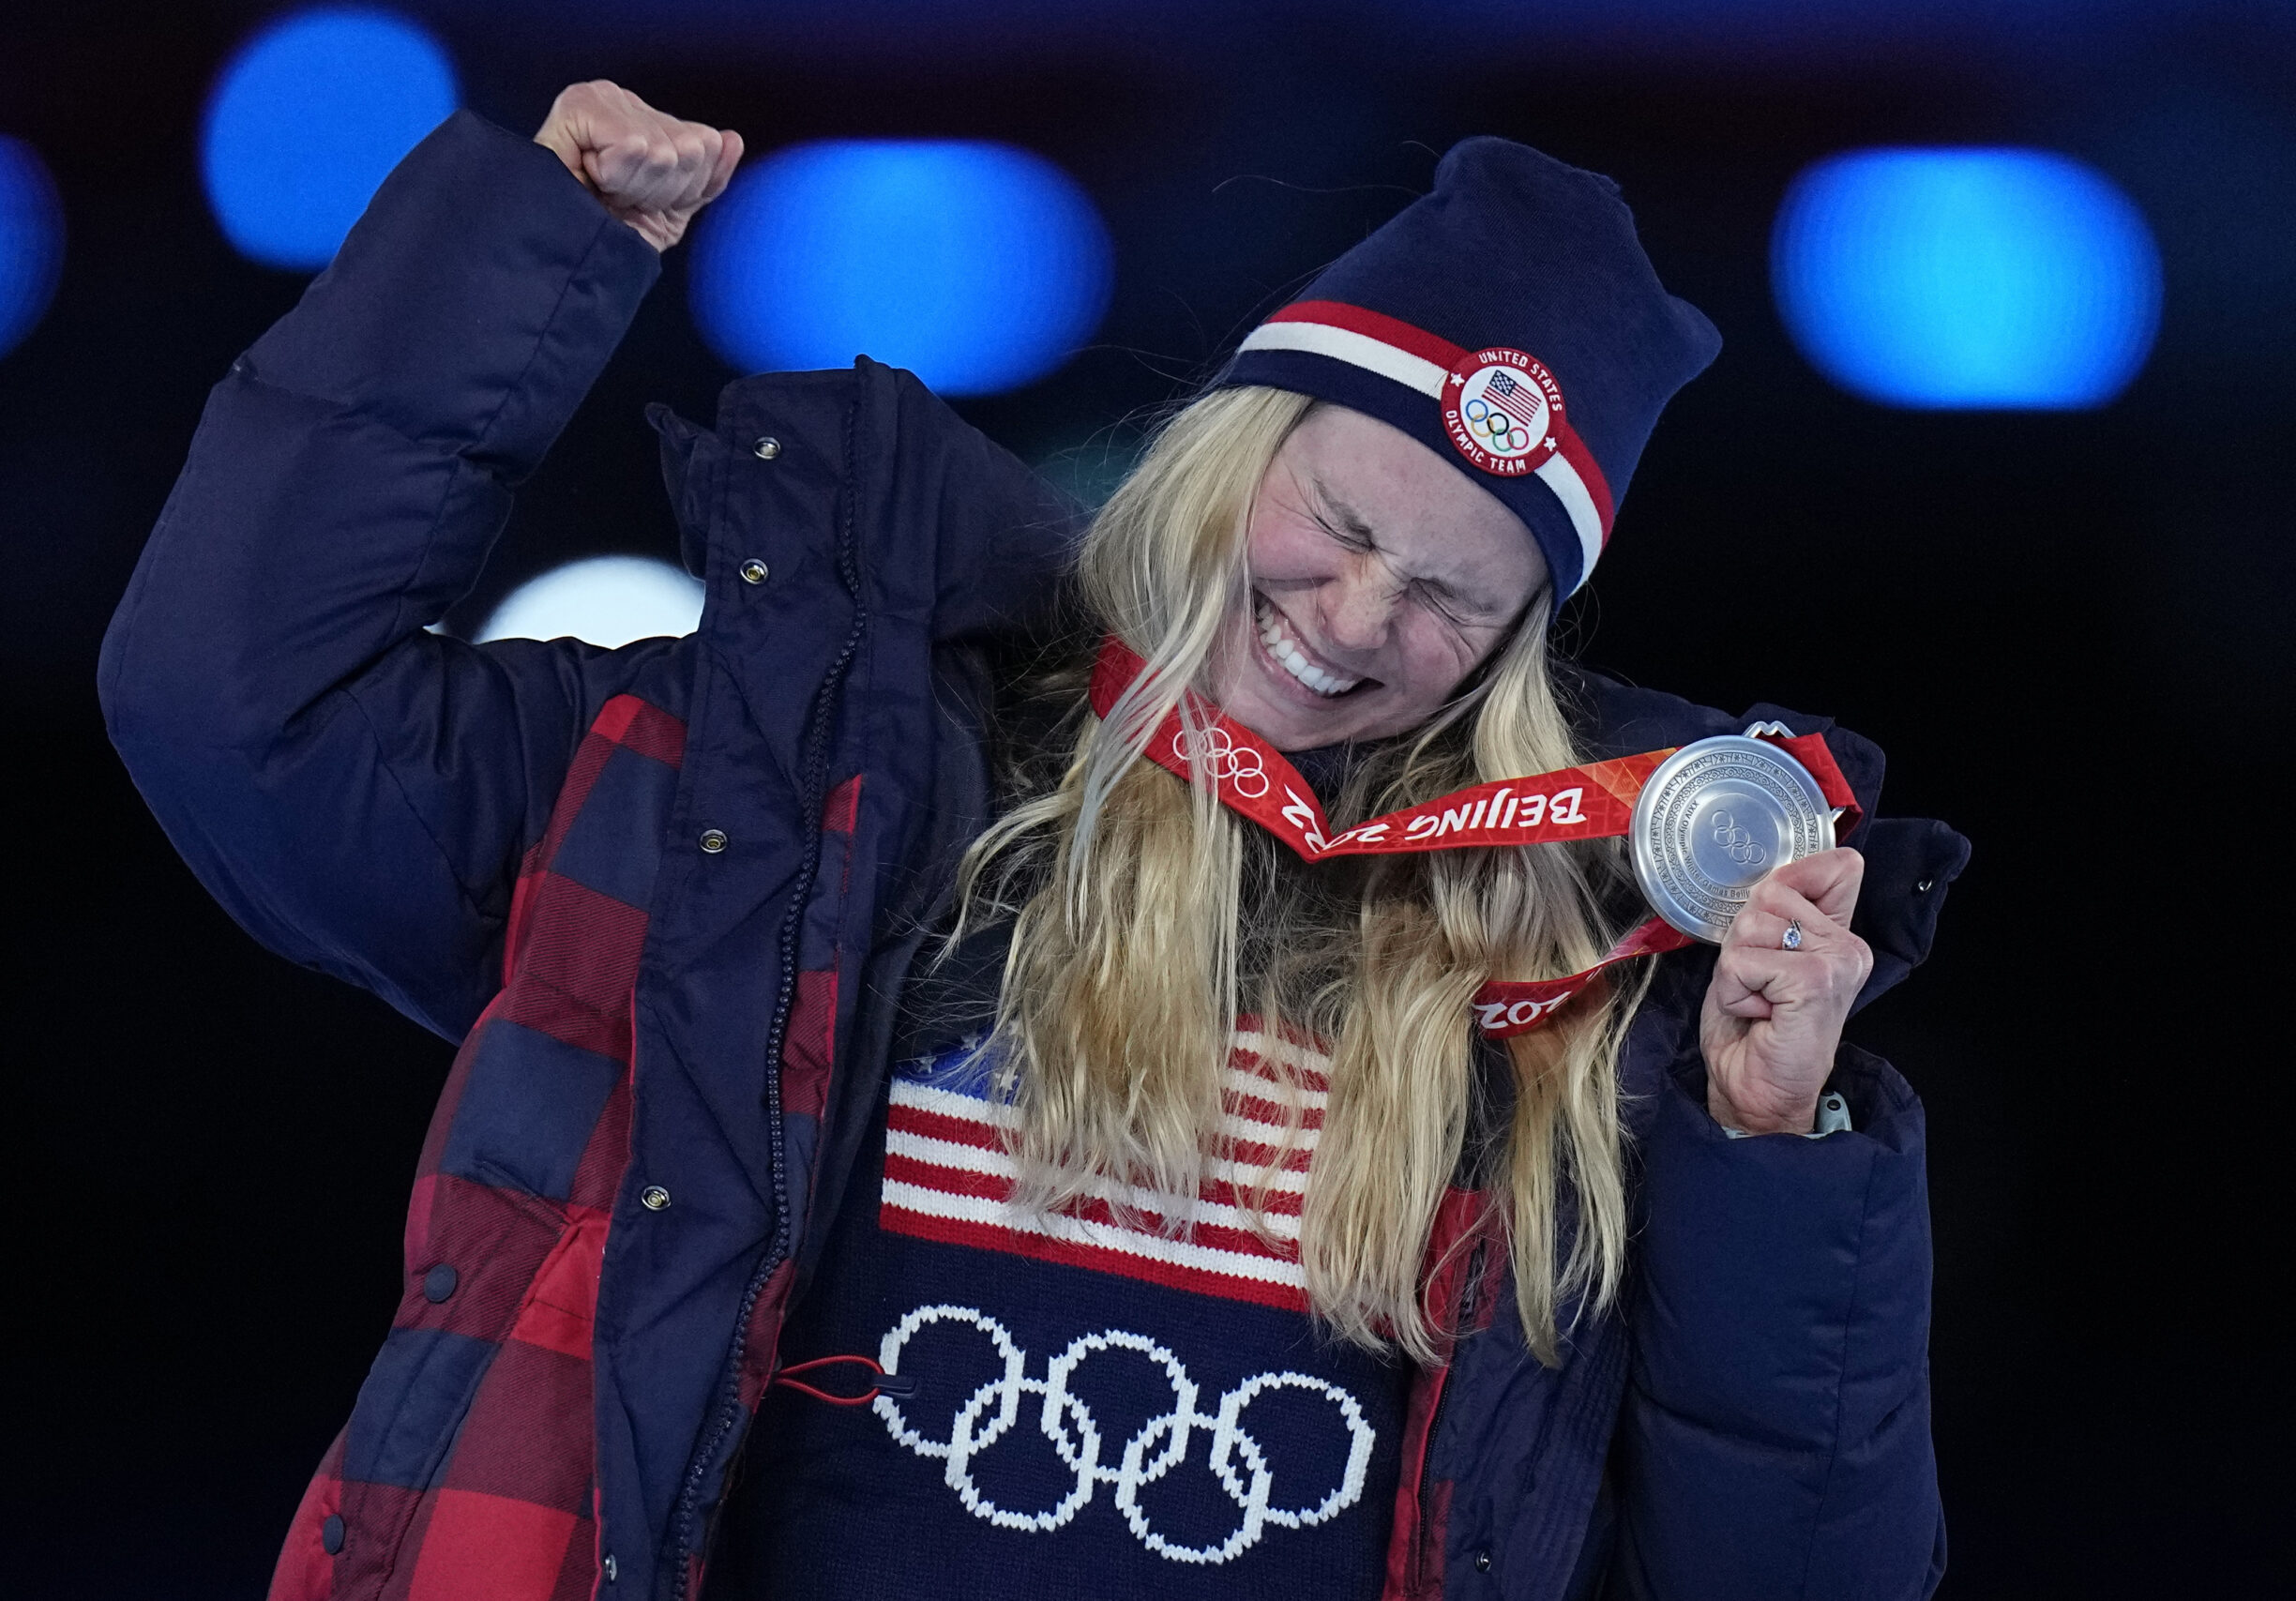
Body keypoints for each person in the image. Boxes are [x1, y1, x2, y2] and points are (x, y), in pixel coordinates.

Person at [100, 79, 1968, 1601]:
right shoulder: (793, 775)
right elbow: (242, 707)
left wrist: (1764, 1145)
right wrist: (526, 254)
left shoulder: (1574, 984)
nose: (1353, 609)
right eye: (1334, 515)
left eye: (1449, 595)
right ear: (1233, 445)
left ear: (1512, 646)